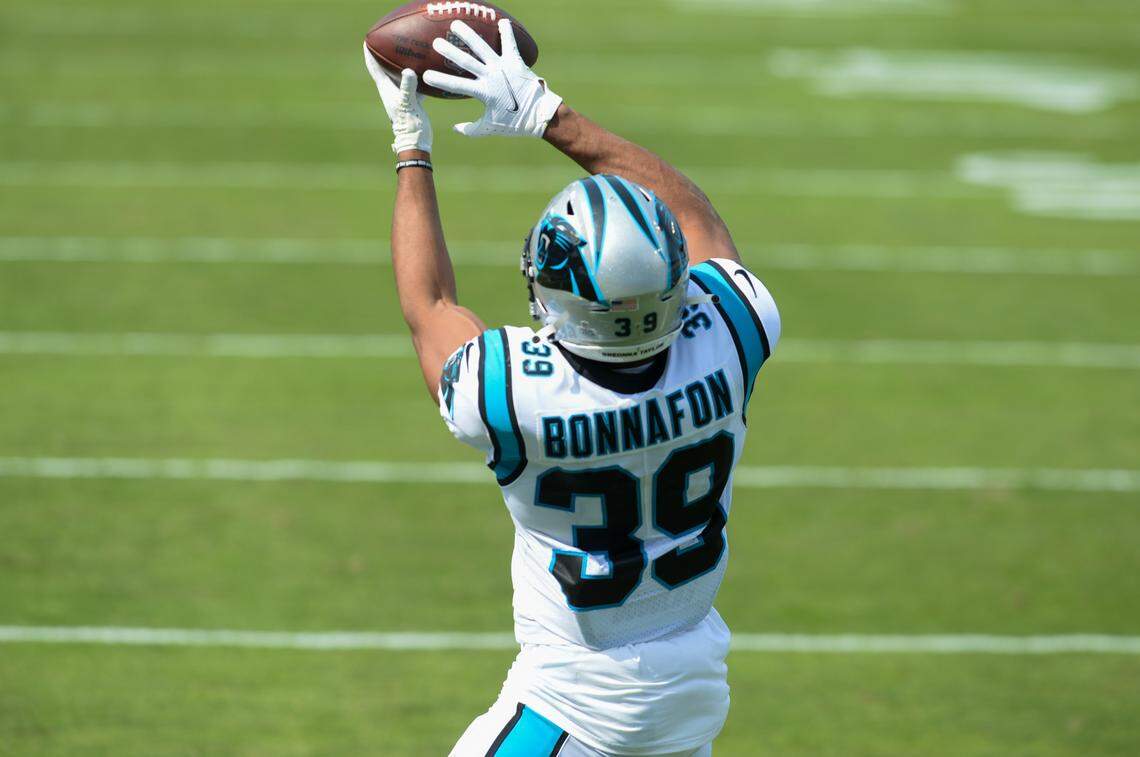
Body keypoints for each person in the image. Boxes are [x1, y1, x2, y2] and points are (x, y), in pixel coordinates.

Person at [364, 18, 780, 756]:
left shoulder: (514, 392)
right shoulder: (732, 334)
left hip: (579, 699)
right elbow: (698, 216)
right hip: (693, 684)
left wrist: (411, 146)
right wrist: (548, 113)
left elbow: (428, 306)